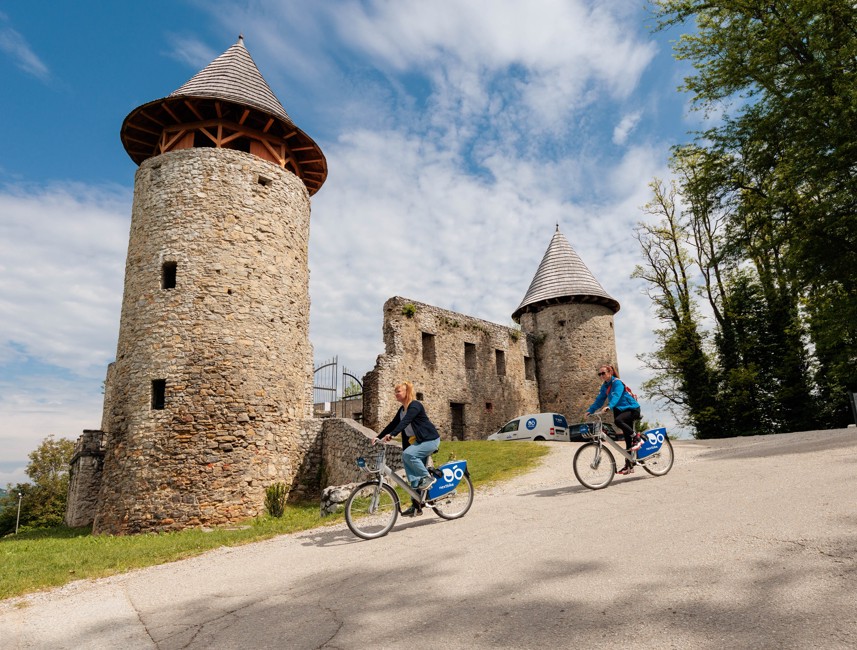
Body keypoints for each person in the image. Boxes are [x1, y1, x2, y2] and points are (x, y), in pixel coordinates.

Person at [373, 381, 441, 516]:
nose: (396, 394)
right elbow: (393, 424)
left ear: (407, 392)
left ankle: (428, 478)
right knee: (414, 477)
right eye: (395, 392)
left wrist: (392, 435)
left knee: (408, 455)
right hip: (417, 443)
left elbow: (406, 422)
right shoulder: (401, 410)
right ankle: (417, 505)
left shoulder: (415, 405)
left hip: (429, 440)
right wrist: (378, 437)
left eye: (398, 391)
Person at [586, 364, 642, 475]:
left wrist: (609, 406)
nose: (601, 376)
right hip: (620, 411)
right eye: (599, 374)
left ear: (610, 373)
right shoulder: (605, 387)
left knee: (618, 421)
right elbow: (599, 400)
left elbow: (616, 396)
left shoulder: (617, 383)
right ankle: (629, 465)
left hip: (632, 409)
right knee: (627, 440)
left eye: (603, 373)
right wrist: (590, 410)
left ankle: (637, 438)